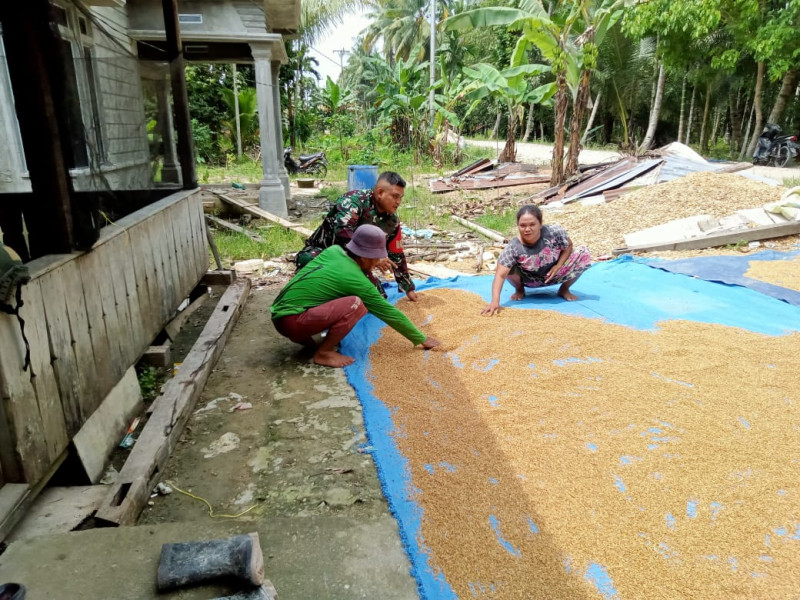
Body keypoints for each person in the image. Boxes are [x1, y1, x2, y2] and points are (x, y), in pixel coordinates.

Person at [273, 224, 440, 368]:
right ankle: (324, 353)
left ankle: (306, 340)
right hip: (292, 322)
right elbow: (388, 312)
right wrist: (421, 338)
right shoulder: (357, 280)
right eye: (376, 259)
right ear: (364, 256)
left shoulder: (334, 251)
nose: (377, 264)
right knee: (356, 304)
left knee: (330, 293)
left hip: (280, 314)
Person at [295, 171, 418, 301]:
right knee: (311, 264)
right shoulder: (353, 202)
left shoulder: (392, 220)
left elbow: (396, 254)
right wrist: (374, 256)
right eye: (395, 196)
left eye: (401, 198)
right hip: (324, 255)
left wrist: (407, 287)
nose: (398, 202)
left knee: (377, 297)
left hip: (354, 264)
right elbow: (343, 233)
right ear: (380, 192)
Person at [481, 205, 591, 316]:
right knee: (506, 266)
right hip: (530, 280)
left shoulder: (554, 232)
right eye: (523, 225)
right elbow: (500, 275)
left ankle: (564, 289)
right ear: (518, 226)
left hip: (555, 274)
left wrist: (558, 266)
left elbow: (568, 245)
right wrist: (495, 302)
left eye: (532, 224)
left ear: (540, 223)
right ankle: (520, 290)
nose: (527, 229)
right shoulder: (513, 247)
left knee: (583, 253)